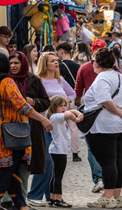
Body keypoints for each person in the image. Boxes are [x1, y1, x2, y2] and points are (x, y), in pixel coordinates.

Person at [0, 53, 52, 210]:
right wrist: (43, 119)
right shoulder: (7, 82)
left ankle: (22, 206)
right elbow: (22, 106)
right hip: (9, 135)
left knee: (12, 170)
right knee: (4, 173)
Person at [0, 51, 51, 210]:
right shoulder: (3, 81)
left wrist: (32, 101)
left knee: (24, 165)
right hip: (8, 127)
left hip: (29, 128)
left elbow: (45, 102)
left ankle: (20, 200)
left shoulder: (33, 80)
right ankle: (6, 201)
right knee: (8, 164)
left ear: (23, 64)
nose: (13, 66)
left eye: (16, 63)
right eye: (11, 63)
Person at [84, 48, 122, 208]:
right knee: (117, 160)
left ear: (98, 62)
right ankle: (117, 196)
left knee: (107, 162)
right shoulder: (119, 76)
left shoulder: (102, 78)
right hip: (119, 126)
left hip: (105, 126)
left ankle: (107, 196)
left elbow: (105, 100)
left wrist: (119, 111)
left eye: (94, 61)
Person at [27, 52, 76, 207]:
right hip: (43, 123)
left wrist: (63, 102)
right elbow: (34, 101)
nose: (56, 63)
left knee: (55, 162)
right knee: (45, 160)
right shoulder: (38, 80)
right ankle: (34, 194)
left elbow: (72, 93)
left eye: (56, 60)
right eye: (52, 61)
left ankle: (51, 195)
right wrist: (48, 102)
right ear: (44, 64)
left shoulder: (59, 80)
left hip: (58, 125)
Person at [74, 39, 105, 193]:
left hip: (91, 111)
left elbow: (78, 92)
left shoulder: (84, 68)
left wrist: (78, 106)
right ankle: (106, 177)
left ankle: (99, 178)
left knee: (92, 147)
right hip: (107, 111)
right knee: (108, 145)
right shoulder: (113, 69)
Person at [47, 96, 84, 208]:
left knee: (55, 175)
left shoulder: (58, 116)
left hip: (59, 149)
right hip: (59, 150)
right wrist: (76, 119)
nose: (63, 108)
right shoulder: (55, 117)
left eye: (64, 105)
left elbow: (70, 111)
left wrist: (78, 113)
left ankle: (52, 198)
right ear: (54, 107)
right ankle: (58, 199)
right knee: (58, 176)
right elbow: (69, 114)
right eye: (61, 106)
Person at [56, 42, 82, 162]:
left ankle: (61, 150)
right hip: (74, 97)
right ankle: (75, 153)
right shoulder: (77, 66)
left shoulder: (59, 67)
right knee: (73, 125)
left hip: (62, 98)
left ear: (61, 51)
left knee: (60, 124)